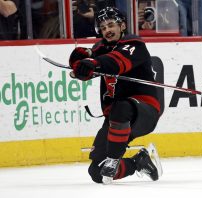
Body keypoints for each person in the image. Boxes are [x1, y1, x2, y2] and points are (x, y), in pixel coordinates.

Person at [68, 7, 161, 184]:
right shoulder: (100, 48)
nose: (107, 30)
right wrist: (82, 64)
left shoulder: (134, 44)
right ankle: (138, 162)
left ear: (122, 25)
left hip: (145, 111)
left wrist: (93, 62)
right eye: (103, 28)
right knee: (97, 172)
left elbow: (116, 62)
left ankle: (113, 159)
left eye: (111, 25)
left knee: (122, 107)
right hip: (116, 119)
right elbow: (87, 66)